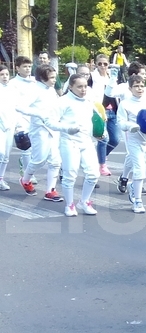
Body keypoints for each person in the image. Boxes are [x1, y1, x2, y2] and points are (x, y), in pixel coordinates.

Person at [48, 74, 102, 216]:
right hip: (69, 141)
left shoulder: (89, 101)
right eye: (79, 86)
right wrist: (67, 128)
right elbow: (50, 122)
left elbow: (96, 120)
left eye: (85, 86)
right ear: (71, 87)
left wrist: (101, 131)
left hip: (86, 141)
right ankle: (70, 205)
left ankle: (84, 201)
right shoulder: (63, 102)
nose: (83, 89)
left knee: (93, 174)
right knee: (70, 175)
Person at [116, 74, 146, 214]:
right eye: (136, 86)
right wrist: (130, 126)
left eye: (141, 85)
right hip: (134, 138)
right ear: (130, 88)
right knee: (139, 170)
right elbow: (121, 122)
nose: (139, 88)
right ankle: (137, 200)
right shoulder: (125, 103)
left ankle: (132, 186)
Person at [16, 64, 63, 202]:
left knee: (56, 161)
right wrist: (39, 114)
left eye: (55, 77)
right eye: (51, 77)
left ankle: (50, 191)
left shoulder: (50, 90)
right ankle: (25, 180)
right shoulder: (34, 90)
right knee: (39, 160)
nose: (54, 80)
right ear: (43, 78)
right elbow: (20, 107)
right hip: (39, 129)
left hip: (53, 128)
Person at [91, 54, 119, 177]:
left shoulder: (112, 77)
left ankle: (101, 157)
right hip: (99, 111)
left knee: (115, 140)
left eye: (105, 64)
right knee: (104, 139)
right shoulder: (92, 77)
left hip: (113, 111)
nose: (102, 66)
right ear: (96, 64)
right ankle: (101, 165)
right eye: (100, 64)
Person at [0, 65, 14, 191]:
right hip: (0, 126)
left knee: (6, 156)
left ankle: (1, 179)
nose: (4, 77)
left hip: (10, 125)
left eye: (6, 74)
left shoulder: (11, 89)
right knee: (1, 152)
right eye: (2, 74)